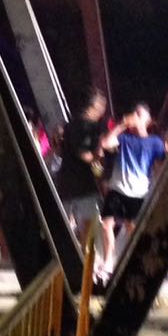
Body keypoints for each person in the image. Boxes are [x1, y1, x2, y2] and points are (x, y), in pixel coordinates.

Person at [99, 103, 165, 268]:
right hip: (117, 188)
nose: (135, 116)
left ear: (148, 120)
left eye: (139, 114)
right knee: (106, 225)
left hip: (137, 192)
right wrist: (121, 124)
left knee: (132, 228)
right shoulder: (124, 138)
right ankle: (108, 261)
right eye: (134, 113)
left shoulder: (155, 142)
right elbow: (105, 143)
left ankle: (135, 261)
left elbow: (160, 166)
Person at [54, 90, 108, 258]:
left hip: (66, 184)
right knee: (89, 232)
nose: (103, 111)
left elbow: (61, 151)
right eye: (102, 106)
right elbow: (84, 154)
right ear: (95, 106)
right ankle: (87, 266)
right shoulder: (86, 126)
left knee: (65, 232)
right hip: (84, 187)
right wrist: (99, 153)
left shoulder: (71, 124)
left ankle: (67, 264)